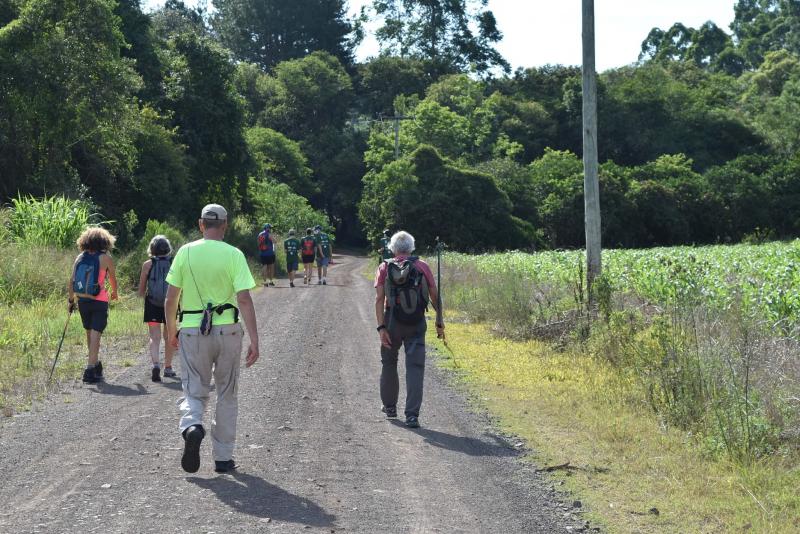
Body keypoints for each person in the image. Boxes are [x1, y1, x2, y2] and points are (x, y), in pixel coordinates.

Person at [164, 204, 259, 474]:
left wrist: (173, 331)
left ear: (201, 224)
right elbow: (243, 299)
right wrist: (254, 339)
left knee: (194, 389)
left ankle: (192, 426)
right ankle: (223, 458)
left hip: (194, 330)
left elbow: (171, 298)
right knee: (227, 393)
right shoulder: (234, 254)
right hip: (228, 329)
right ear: (225, 225)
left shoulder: (185, 252)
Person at [374, 231, 444, 428]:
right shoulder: (422, 266)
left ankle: (390, 408)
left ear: (392, 248)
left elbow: (379, 299)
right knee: (415, 367)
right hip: (416, 322)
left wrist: (381, 328)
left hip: (392, 321)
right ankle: (412, 415)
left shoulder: (384, 267)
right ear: (411, 248)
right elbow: (434, 296)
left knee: (389, 362)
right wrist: (440, 323)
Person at [68, 227, 119, 384]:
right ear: (104, 241)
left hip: (82, 299)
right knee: (96, 332)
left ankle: (96, 364)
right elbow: (112, 279)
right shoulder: (105, 258)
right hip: (99, 300)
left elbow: (72, 281)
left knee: (89, 332)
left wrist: (71, 300)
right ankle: (89, 369)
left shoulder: (79, 257)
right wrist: (115, 293)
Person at [137, 235, 175, 382]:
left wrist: (142, 294)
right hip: (171, 303)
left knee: (154, 337)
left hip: (152, 304)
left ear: (152, 249)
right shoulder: (174, 263)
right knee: (169, 335)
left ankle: (155, 365)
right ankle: (168, 367)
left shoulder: (148, 264)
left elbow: (141, 290)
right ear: (168, 249)